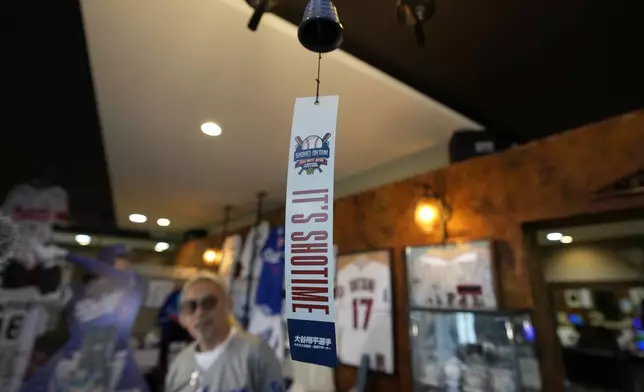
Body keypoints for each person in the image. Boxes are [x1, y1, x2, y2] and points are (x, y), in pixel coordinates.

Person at [22, 244, 149, 392]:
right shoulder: (81, 289)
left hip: (113, 360)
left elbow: (110, 273)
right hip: (74, 359)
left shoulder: (133, 283)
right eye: (121, 260)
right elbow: (52, 292)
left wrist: (64, 254)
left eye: (128, 261)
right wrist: (47, 263)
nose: (127, 265)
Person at [166, 272, 284, 392]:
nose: (199, 313)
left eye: (208, 303)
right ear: (182, 318)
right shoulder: (179, 365)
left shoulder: (256, 353)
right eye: (191, 306)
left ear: (229, 305)